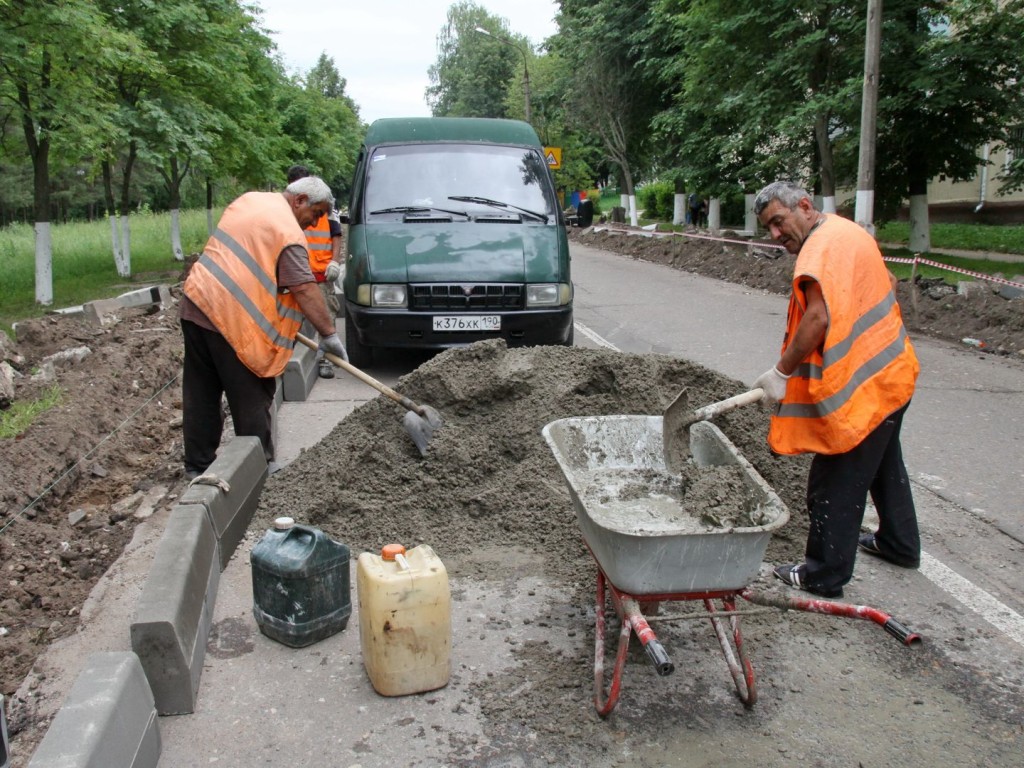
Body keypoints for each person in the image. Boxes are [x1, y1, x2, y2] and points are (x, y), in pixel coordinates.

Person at [751, 180, 921, 599]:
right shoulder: (848, 232)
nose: (775, 234)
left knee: (835, 479)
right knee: (883, 466)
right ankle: (899, 544)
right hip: (892, 372)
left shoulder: (817, 250)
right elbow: (889, 282)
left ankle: (823, 573)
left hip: (860, 390)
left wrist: (781, 371)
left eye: (778, 221)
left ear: (804, 206)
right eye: (768, 228)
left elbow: (818, 319)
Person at [179, 176, 348, 479]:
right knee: (253, 392)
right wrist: (329, 334)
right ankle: (260, 468)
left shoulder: (251, 201)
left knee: (201, 393)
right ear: (300, 201)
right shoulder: (288, 232)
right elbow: (305, 289)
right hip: (230, 320)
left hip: (197, 303)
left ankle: (198, 466)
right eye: (316, 213)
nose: (315, 222)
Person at [286, 165, 345, 379]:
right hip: (297, 270)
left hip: (320, 271)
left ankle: (326, 361)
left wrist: (334, 262)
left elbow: (336, 233)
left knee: (325, 314)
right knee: (291, 316)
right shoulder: (289, 207)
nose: (313, 220)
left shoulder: (324, 203)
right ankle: (287, 358)